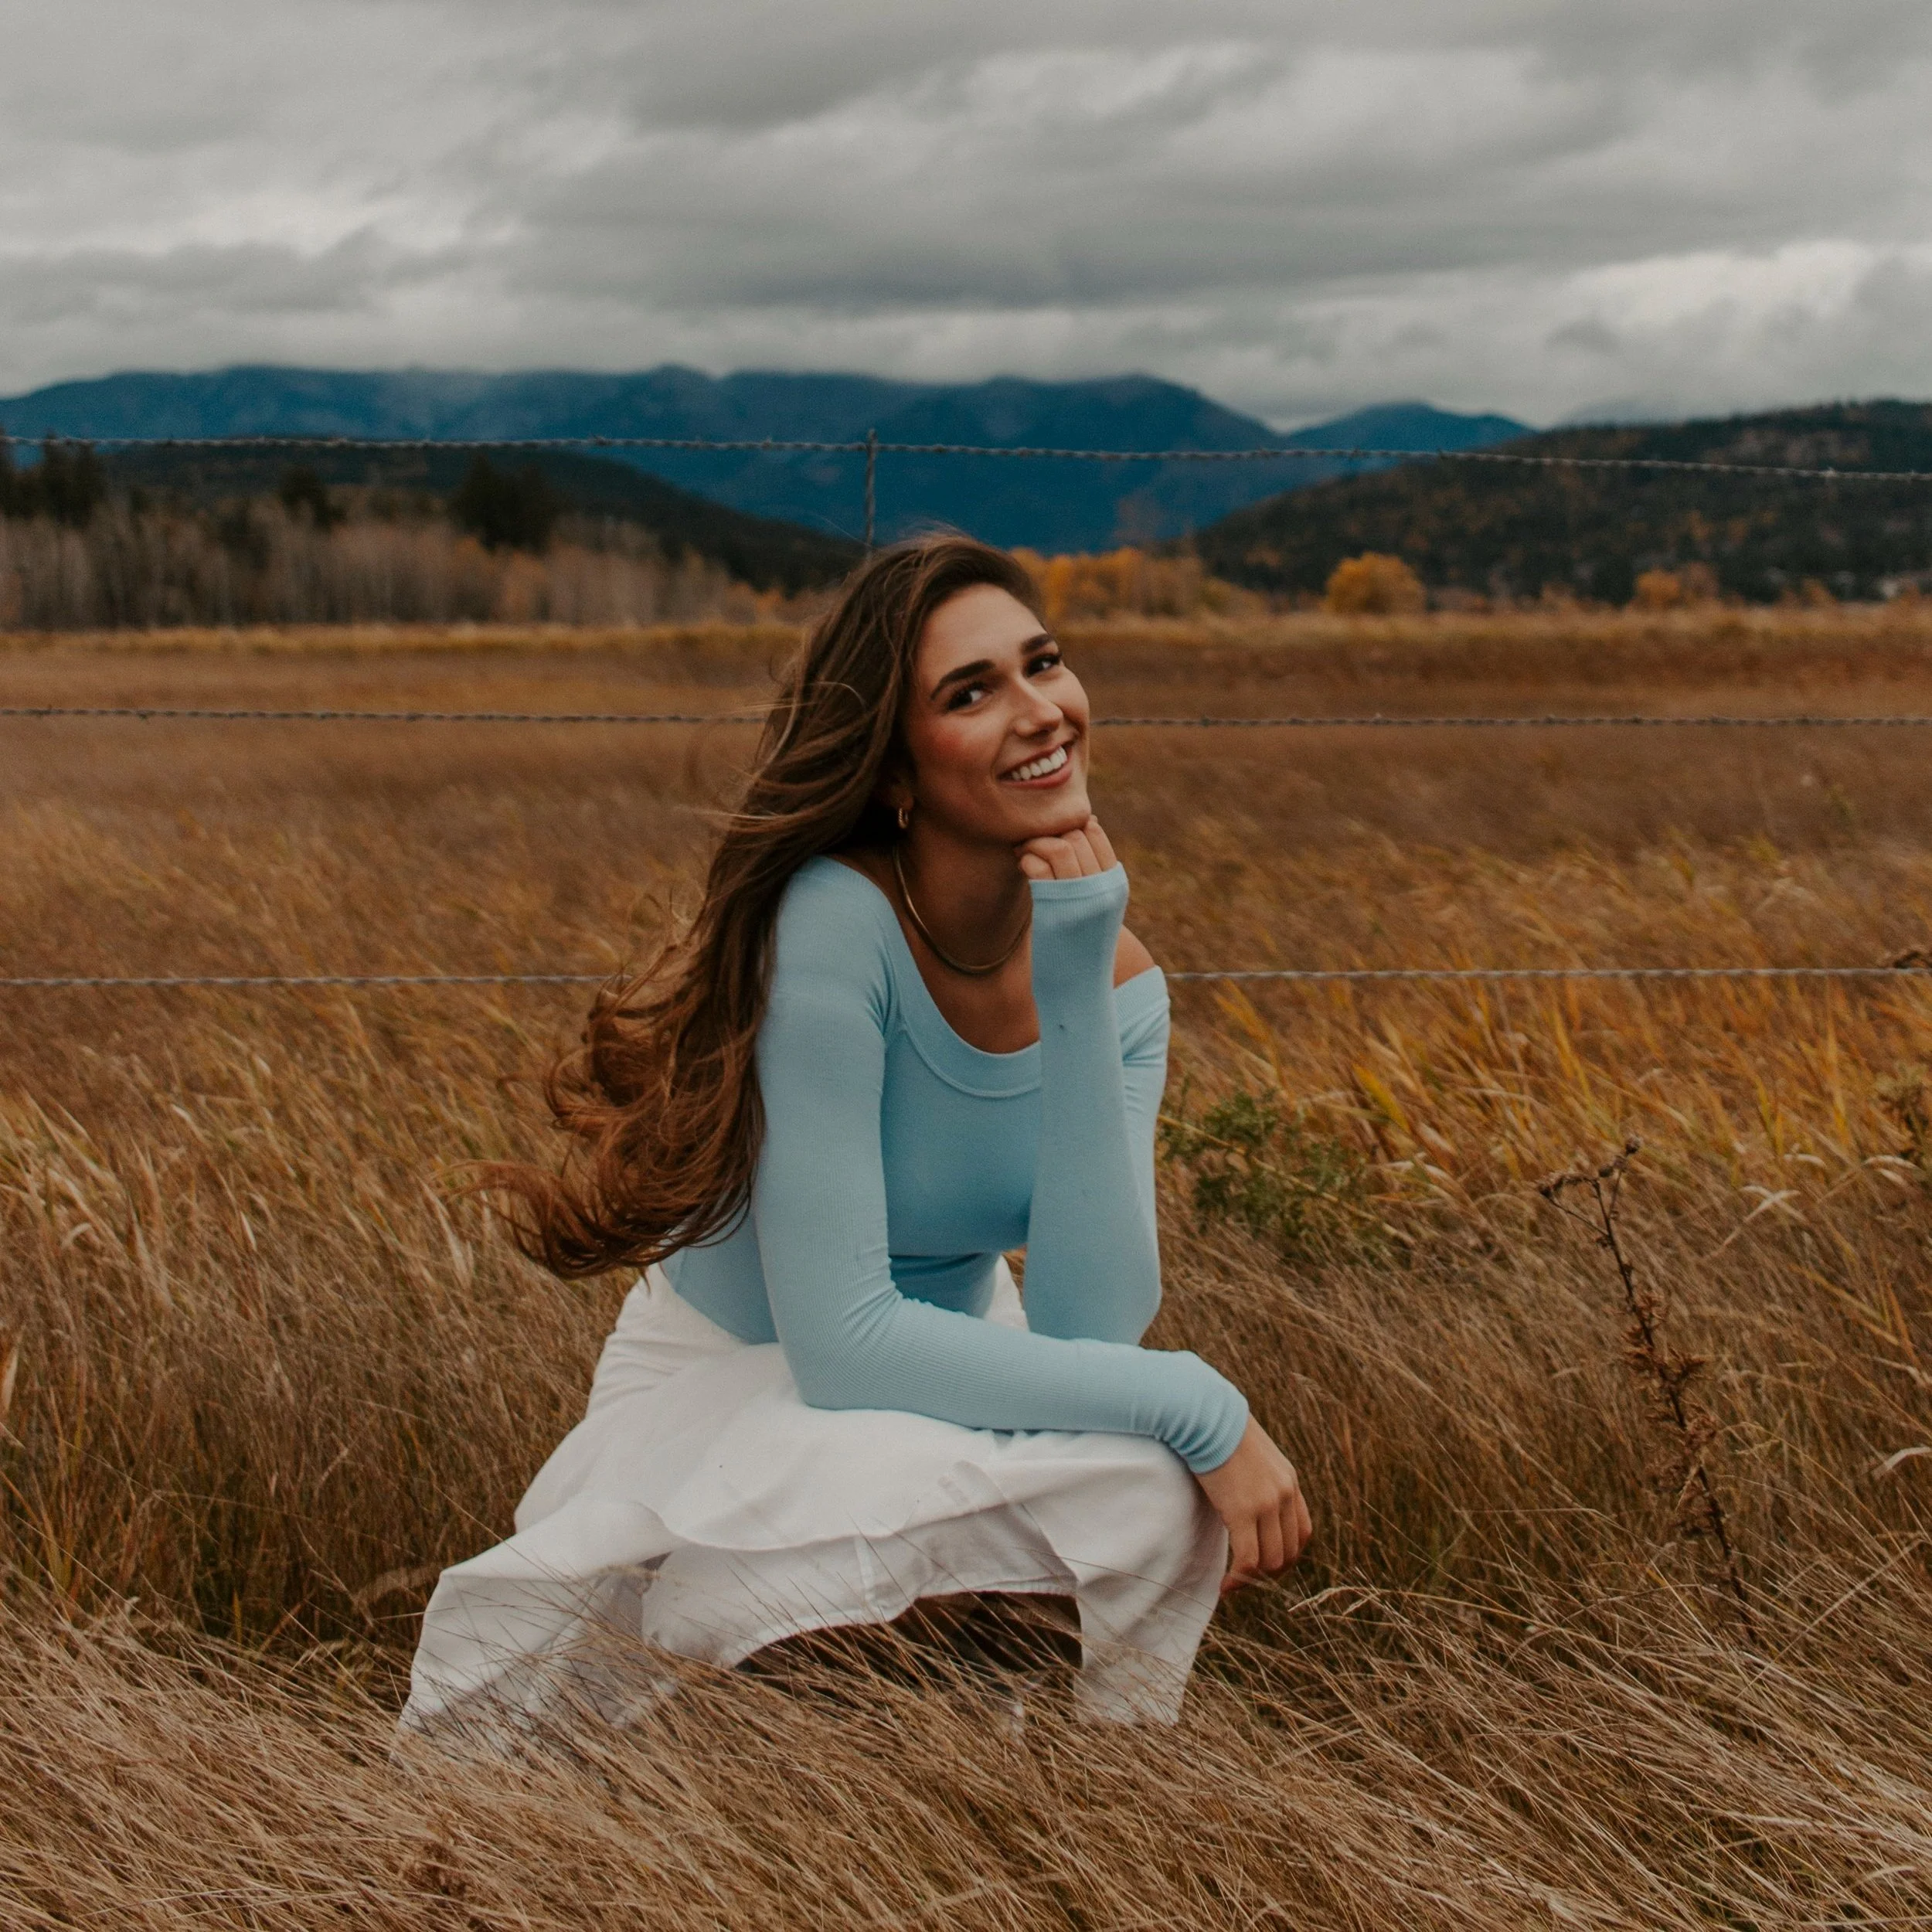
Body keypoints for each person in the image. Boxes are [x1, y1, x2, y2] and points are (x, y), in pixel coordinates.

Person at [401, 536, 1311, 1737]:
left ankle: (1024, 1789)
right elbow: (839, 1344)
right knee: (1160, 1443)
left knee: (1152, 1489)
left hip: (936, 1362)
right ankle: (774, 1736)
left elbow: (1092, 1328)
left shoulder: (1123, 986)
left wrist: (1080, 969)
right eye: (972, 692)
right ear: (896, 771)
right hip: (739, 1380)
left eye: (1045, 664)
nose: (1042, 713)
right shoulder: (834, 922)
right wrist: (1201, 1400)